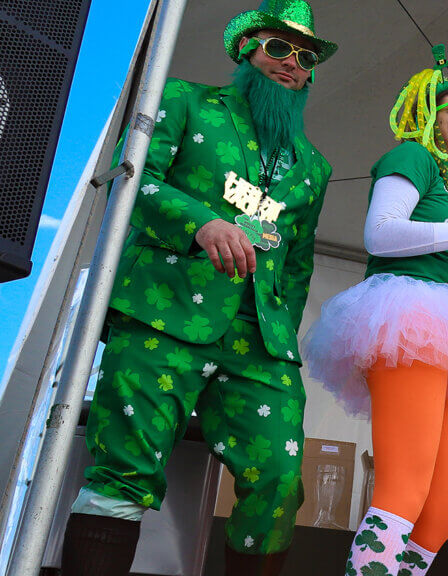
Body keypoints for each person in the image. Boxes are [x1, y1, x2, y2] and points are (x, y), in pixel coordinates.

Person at [59, 2, 335, 574]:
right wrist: (200, 224)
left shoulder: (314, 164)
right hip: (167, 313)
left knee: (282, 483)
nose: (292, 64)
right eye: (278, 48)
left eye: (305, 57)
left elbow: (298, 261)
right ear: (245, 51)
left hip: (258, 339)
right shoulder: (186, 100)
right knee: (124, 467)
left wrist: (279, 322)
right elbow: (134, 181)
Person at [301, 45, 448, 576]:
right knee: (405, 486)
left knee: (445, 508)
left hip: (437, 330)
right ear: (428, 118)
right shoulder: (410, 156)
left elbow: (433, 276)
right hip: (404, 324)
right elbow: (379, 234)